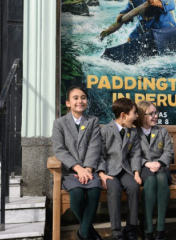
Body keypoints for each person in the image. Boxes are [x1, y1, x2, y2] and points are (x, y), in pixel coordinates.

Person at [51, 86, 102, 240]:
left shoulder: (93, 121)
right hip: (70, 171)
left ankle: (83, 233)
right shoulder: (59, 123)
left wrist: (87, 168)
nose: (80, 101)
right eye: (76, 98)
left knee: (94, 191)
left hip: (89, 169)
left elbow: (95, 146)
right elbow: (59, 149)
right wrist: (78, 168)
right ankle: (89, 230)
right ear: (68, 103)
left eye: (83, 97)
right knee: (77, 194)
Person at [97, 98, 142, 240]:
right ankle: (116, 231)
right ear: (123, 115)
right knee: (114, 190)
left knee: (134, 187)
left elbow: (135, 154)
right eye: (134, 113)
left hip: (126, 170)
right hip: (109, 171)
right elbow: (99, 154)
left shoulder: (132, 132)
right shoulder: (105, 131)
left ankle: (130, 228)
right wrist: (102, 174)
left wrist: (136, 172)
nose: (136, 116)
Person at [136, 101, 173, 240]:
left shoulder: (161, 131)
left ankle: (161, 225)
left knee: (162, 178)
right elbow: (132, 154)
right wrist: (146, 163)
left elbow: (169, 151)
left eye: (155, 113)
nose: (155, 116)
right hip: (144, 168)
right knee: (150, 180)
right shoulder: (135, 132)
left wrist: (159, 162)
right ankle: (147, 226)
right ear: (141, 115)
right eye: (151, 114)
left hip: (161, 166)